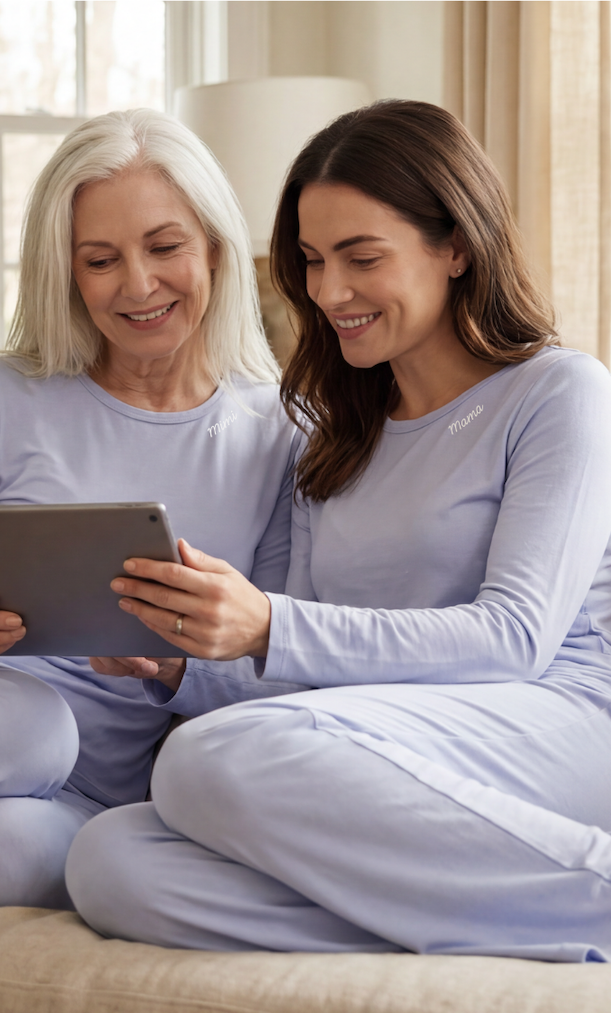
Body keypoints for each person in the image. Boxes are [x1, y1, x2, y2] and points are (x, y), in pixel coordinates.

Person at [66, 100, 611, 962]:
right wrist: (180, 663)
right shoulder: (336, 438)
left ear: (456, 246)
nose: (328, 293)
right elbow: (303, 674)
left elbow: (514, 638)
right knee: (112, 857)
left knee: (206, 760)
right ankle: (481, 921)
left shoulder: (558, 392)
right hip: (382, 740)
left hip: (553, 723)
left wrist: (268, 623)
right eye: (314, 261)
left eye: (362, 257)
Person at [0, 108, 303, 912]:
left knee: (23, 856)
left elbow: (280, 669)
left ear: (214, 246)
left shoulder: (276, 434)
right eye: (101, 260)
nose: (138, 285)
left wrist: (174, 665)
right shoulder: (2, 398)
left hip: (88, 801)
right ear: (67, 273)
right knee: (30, 722)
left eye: (165, 247)